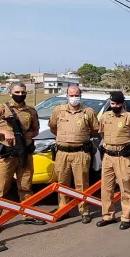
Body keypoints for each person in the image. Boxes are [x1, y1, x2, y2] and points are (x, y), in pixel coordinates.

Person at [0, 82, 40, 222]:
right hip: (7, 155)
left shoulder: (31, 111)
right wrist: (3, 132)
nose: (20, 95)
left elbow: (36, 130)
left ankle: (28, 215)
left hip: (25, 154)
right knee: (1, 189)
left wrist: (25, 136)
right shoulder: (2, 108)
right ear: (10, 93)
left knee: (25, 187)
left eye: (23, 92)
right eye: (17, 92)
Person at [48, 84, 99, 223]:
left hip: (80, 153)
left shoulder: (88, 112)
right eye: (71, 95)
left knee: (82, 183)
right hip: (62, 153)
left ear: (80, 96)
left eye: (76, 95)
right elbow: (53, 127)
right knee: (62, 183)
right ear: (67, 96)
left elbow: (95, 129)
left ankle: (84, 211)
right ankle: (63, 209)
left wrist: (81, 137)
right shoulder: (58, 110)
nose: (74, 98)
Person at [96, 91, 130, 229]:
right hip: (108, 156)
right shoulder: (105, 117)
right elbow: (102, 133)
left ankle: (126, 217)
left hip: (123, 157)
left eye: (117, 104)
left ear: (122, 103)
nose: (115, 106)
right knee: (106, 188)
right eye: (112, 103)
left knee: (125, 188)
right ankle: (108, 216)